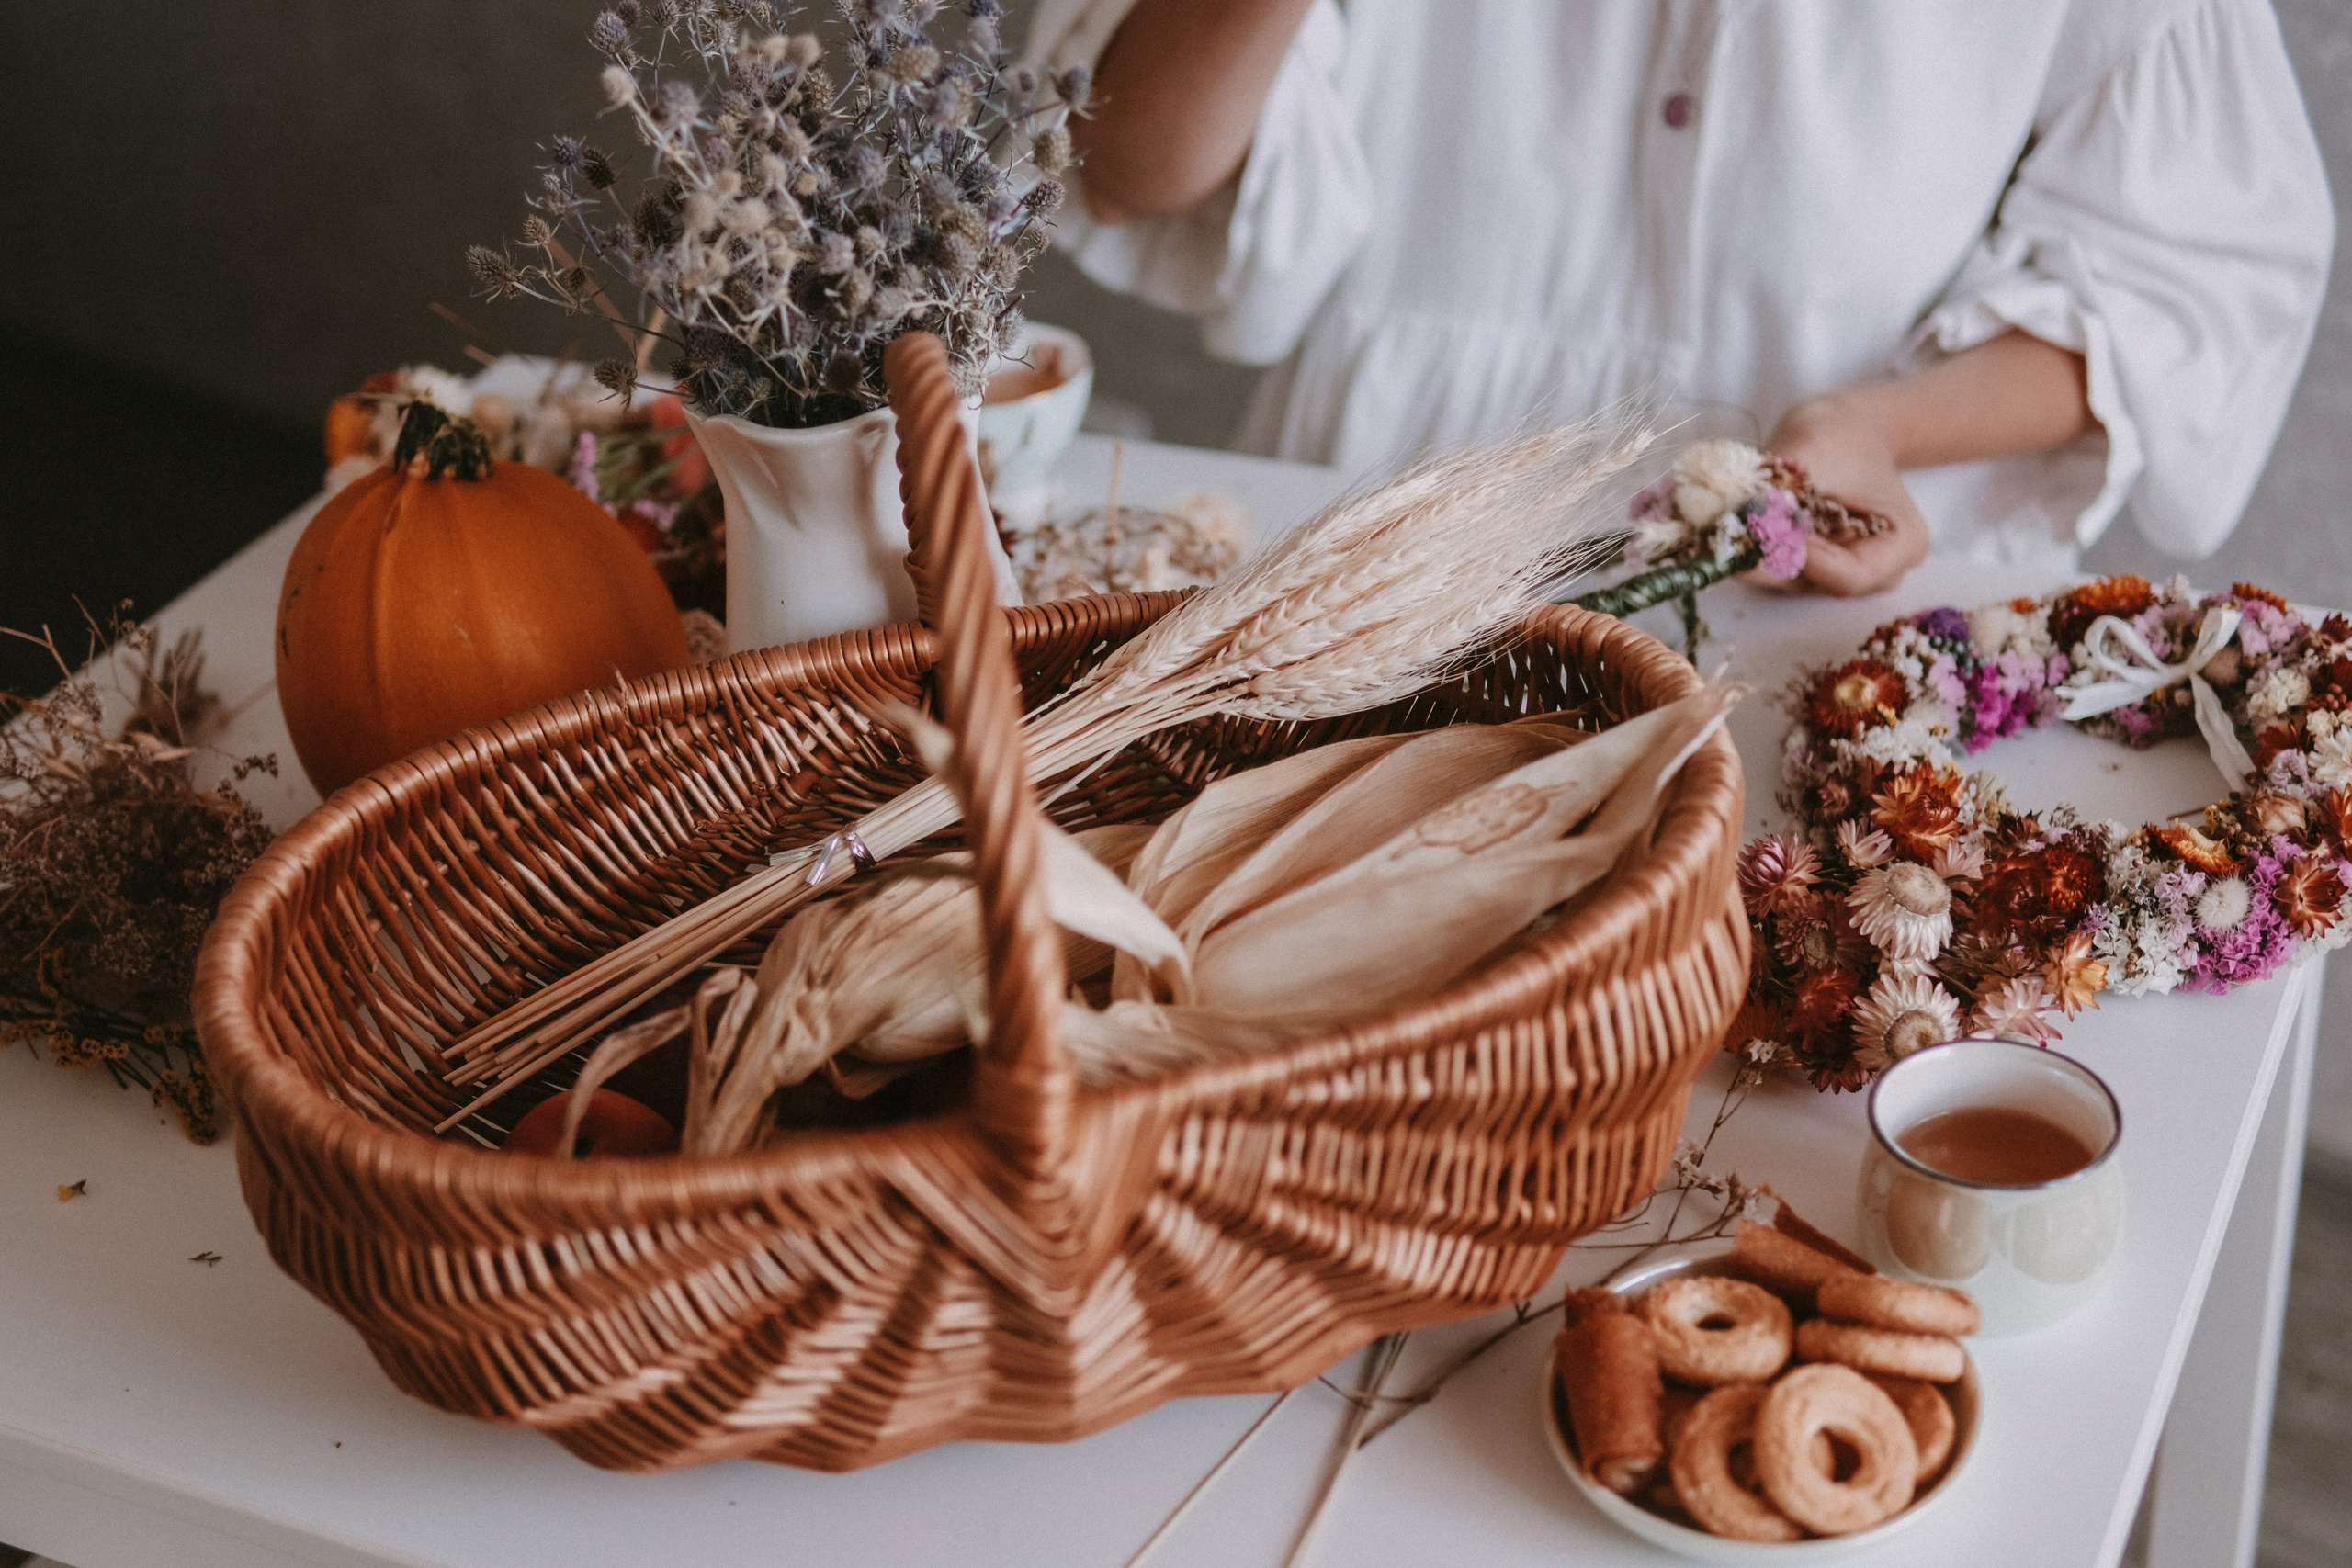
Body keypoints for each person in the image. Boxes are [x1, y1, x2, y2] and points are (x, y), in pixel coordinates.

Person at [1024, 0, 2333, 596]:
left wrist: (1877, 425)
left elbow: (2186, 271)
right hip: (1376, 553)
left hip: (1802, 586)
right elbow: (1133, 170)